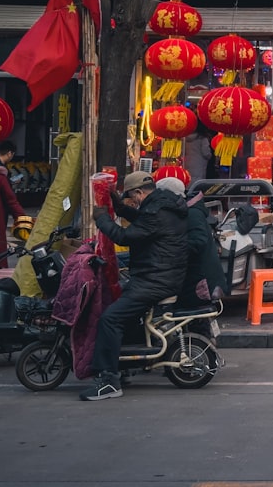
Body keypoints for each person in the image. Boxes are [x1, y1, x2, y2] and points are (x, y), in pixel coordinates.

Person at [83, 171, 188, 401]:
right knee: (121, 313)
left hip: (155, 280)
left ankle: (109, 380)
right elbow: (143, 221)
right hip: (157, 275)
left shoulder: (157, 212)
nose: (134, 202)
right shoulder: (162, 205)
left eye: (132, 198)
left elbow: (124, 236)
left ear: (140, 193)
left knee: (110, 319)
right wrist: (120, 209)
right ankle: (122, 365)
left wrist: (102, 219)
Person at [155, 177, 228, 306]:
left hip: (201, 280)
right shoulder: (183, 211)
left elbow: (198, 242)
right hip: (194, 276)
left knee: (193, 318)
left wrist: (170, 249)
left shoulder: (192, 213)